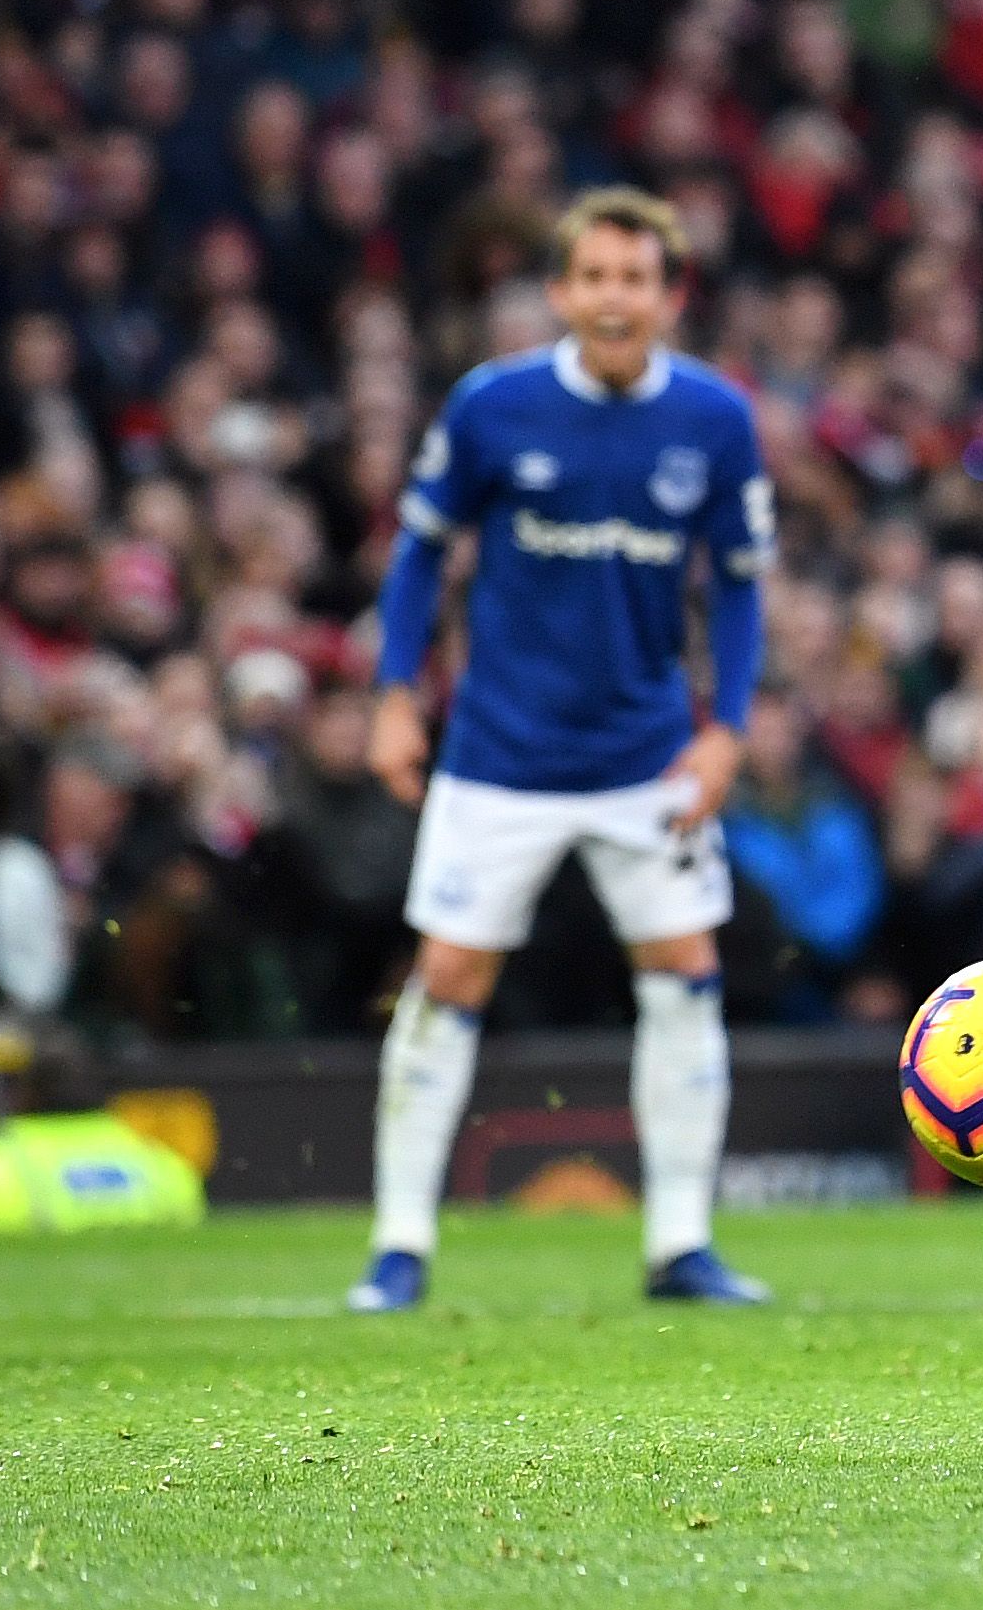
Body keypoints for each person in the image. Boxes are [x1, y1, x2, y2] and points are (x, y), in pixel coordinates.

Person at [350, 188, 775, 1312]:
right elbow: (417, 554)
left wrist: (726, 727)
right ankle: (398, 1246)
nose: (613, 298)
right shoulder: (493, 406)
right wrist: (395, 694)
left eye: (634, 278)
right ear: (560, 291)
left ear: (669, 293)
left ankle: (680, 1243)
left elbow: (736, 589)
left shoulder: (715, 420)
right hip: (500, 753)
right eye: (593, 277)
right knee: (445, 978)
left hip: (647, 756)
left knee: (686, 974)